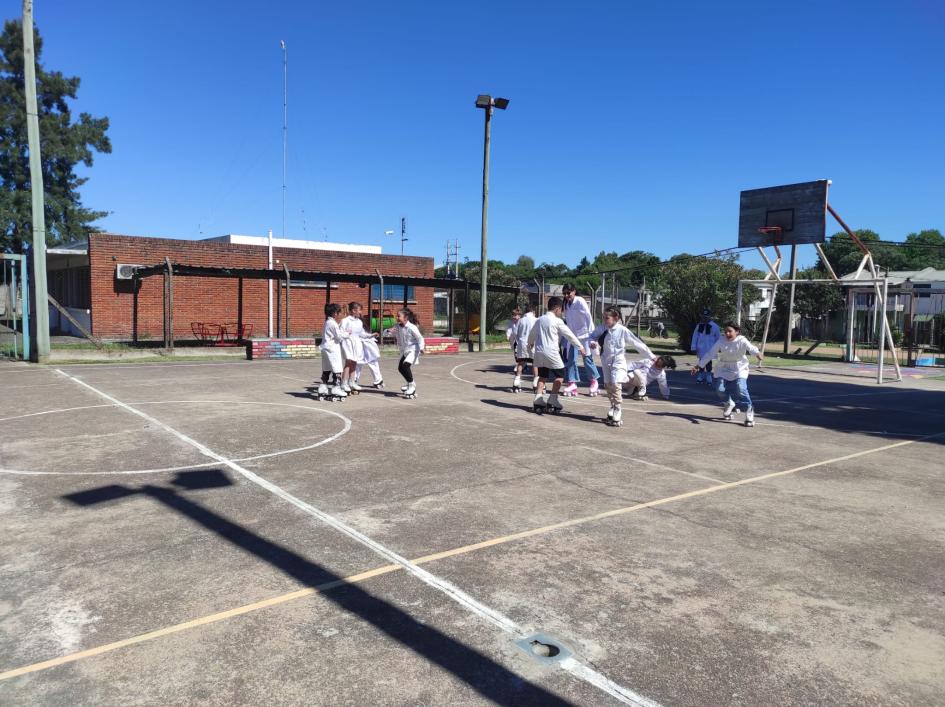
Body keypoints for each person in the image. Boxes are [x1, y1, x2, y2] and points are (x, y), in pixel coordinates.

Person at [589, 307, 655, 426]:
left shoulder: (622, 330)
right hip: (605, 360)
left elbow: (637, 343)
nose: (604, 320)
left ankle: (618, 408)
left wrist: (651, 356)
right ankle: (613, 405)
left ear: (616, 318)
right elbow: (592, 336)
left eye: (607, 318)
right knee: (608, 386)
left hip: (618, 361)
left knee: (616, 384)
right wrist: (592, 343)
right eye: (603, 317)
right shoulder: (602, 328)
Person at [691, 322, 763, 427]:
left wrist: (757, 353)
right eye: (726, 332)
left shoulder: (742, 340)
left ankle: (749, 410)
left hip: (740, 367)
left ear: (737, 332)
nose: (727, 334)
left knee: (740, 388)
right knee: (720, 390)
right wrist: (698, 366)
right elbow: (710, 353)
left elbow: (751, 348)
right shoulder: (721, 340)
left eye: (730, 331)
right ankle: (729, 403)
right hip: (724, 367)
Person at [527, 296, 586, 414]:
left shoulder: (539, 319)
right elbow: (569, 335)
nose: (562, 312)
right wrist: (580, 346)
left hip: (539, 352)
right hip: (552, 352)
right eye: (561, 310)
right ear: (558, 309)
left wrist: (530, 343)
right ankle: (553, 399)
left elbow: (532, 333)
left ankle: (538, 399)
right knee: (560, 375)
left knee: (542, 376)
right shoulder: (557, 321)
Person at [561, 283, 601, 396]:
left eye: (568, 293)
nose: (566, 295)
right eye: (564, 293)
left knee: (587, 359)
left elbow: (588, 317)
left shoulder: (580, 301)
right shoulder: (566, 305)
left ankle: (594, 381)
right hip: (573, 337)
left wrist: (593, 337)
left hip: (585, 335)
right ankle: (572, 382)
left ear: (574, 291)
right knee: (571, 360)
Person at [384, 307, 425, 399]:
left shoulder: (412, 327)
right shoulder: (397, 326)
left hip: (413, 349)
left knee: (405, 366)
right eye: (397, 316)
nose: (397, 318)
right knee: (400, 368)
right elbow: (386, 334)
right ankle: (409, 382)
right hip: (404, 350)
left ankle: (412, 386)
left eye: (399, 316)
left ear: (405, 317)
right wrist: (388, 331)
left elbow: (420, 338)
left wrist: (422, 348)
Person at [341, 302, 382, 391]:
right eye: (359, 310)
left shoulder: (359, 322)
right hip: (348, 343)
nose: (360, 312)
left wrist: (370, 335)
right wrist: (347, 334)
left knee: (355, 363)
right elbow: (341, 333)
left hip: (357, 344)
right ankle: (344, 383)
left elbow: (361, 334)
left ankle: (352, 382)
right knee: (348, 363)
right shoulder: (345, 321)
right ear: (353, 310)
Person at [318, 303, 351, 401]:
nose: (340, 314)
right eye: (339, 312)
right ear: (335, 314)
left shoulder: (327, 322)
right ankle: (336, 388)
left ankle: (323, 386)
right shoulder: (333, 323)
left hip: (325, 348)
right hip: (332, 349)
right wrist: (347, 334)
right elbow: (339, 337)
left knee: (327, 368)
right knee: (337, 368)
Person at [511, 304, 538, 392]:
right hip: (532, 344)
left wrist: (519, 340)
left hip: (521, 343)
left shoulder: (521, 320)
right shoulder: (536, 320)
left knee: (521, 362)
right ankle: (535, 383)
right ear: (533, 311)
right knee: (535, 363)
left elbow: (515, 333)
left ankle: (516, 380)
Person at [691, 308, 721, 384]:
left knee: (708, 362)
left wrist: (719, 348)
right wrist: (693, 347)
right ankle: (701, 375)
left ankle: (708, 375)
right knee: (701, 361)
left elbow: (718, 338)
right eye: (703, 316)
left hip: (710, 348)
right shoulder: (699, 326)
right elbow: (695, 336)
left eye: (707, 316)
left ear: (710, 317)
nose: (705, 318)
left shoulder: (715, 326)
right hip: (700, 348)